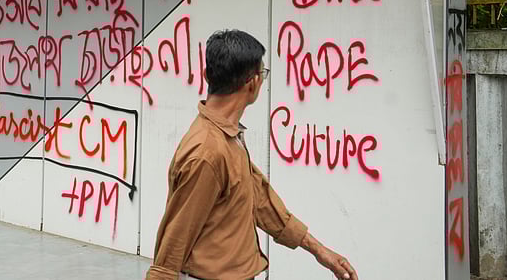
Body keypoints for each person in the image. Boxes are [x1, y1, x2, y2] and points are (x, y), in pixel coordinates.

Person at [146, 29, 359, 280]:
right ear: (253, 82)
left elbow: (262, 202)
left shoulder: (227, 137)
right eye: (263, 73)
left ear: (207, 76)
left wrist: (319, 250)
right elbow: (175, 240)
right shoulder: (207, 151)